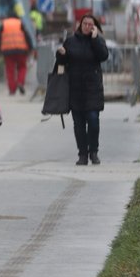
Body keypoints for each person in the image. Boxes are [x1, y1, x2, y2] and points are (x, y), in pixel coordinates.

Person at [56, 13, 110, 165]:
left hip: (92, 89)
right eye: (84, 23)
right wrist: (61, 54)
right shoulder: (71, 41)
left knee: (93, 121)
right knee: (78, 124)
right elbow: (63, 61)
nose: (87, 26)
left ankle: (94, 152)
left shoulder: (98, 41)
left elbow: (104, 56)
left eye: (90, 24)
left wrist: (94, 40)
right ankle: (82, 154)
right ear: (80, 25)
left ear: (94, 27)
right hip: (75, 89)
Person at [0, 14, 36, 95]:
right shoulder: (20, 23)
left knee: (10, 70)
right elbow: (27, 36)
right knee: (22, 67)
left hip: (7, 51)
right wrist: (30, 48)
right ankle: (20, 82)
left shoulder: (4, 24)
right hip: (21, 50)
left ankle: (12, 90)